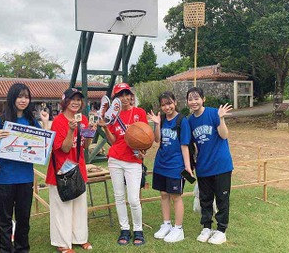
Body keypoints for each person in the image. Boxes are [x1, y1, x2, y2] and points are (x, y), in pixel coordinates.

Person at [0, 83, 49, 253]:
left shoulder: (32, 121)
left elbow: (43, 146)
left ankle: (22, 249)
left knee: (24, 219)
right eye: (19, 96)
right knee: (5, 220)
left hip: (25, 178)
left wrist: (45, 124)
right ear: (12, 98)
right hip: (4, 179)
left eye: (26, 97)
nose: (23, 100)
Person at [99, 82, 148, 246]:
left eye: (127, 94)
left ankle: (138, 230)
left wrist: (143, 151)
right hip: (115, 159)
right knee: (119, 197)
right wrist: (105, 127)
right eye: (120, 95)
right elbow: (113, 141)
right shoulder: (113, 116)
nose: (125, 98)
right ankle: (125, 229)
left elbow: (145, 138)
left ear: (131, 96)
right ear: (115, 99)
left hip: (133, 161)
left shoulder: (139, 113)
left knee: (134, 199)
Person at [45, 88, 93, 253]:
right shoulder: (58, 121)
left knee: (79, 206)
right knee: (62, 208)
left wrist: (90, 131)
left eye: (79, 99)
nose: (76, 102)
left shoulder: (84, 119)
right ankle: (63, 243)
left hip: (78, 169)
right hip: (61, 171)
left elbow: (85, 146)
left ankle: (80, 238)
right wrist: (71, 130)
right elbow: (64, 149)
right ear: (65, 101)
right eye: (73, 99)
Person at [186, 87, 233, 245]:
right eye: (190, 99)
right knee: (205, 199)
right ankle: (206, 227)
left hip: (221, 165)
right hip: (203, 166)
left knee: (222, 199)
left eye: (196, 98)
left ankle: (221, 230)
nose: (194, 101)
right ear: (187, 102)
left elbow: (224, 135)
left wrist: (220, 118)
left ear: (203, 99)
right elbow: (189, 146)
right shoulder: (190, 121)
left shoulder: (214, 113)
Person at [147, 91, 193, 243]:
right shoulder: (161, 119)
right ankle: (166, 224)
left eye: (169, 103)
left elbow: (185, 145)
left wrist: (187, 166)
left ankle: (178, 229)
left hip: (175, 165)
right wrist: (157, 124)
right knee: (163, 194)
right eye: (163, 105)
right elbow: (157, 140)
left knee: (176, 196)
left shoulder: (182, 120)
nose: (167, 107)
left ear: (175, 102)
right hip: (161, 163)